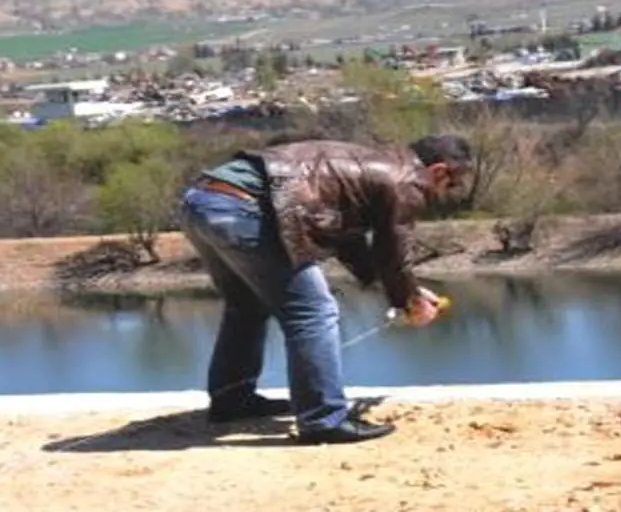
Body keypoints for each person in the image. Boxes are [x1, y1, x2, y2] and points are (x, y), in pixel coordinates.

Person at [176, 134, 474, 445]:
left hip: (200, 199)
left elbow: (349, 241)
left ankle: (232, 400)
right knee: (314, 312)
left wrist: (403, 291)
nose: (444, 193)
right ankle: (322, 419)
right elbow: (393, 253)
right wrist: (407, 301)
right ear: (438, 170)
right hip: (245, 209)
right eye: (450, 185)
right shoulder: (407, 180)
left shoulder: (368, 162)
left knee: (248, 304)